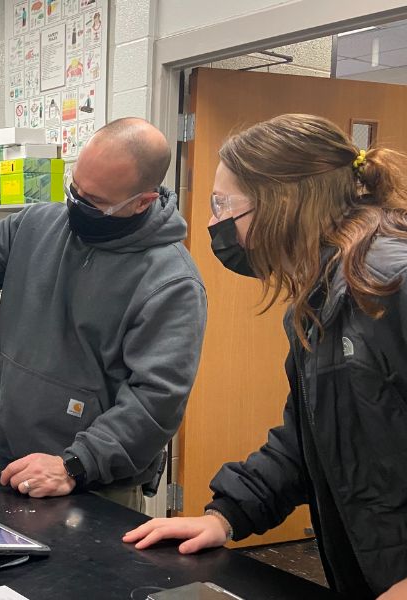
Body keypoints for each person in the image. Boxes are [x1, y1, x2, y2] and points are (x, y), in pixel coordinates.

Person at [123, 114, 407, 599]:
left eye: (223, 204)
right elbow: (308, 441)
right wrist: (226, 515)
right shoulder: (323, 300)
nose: (213, 222)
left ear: (283, 202)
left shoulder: (390, 284)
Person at [0, 117, 207, 512]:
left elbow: (155, 404)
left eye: (94, 202)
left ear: (142, 201)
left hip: (92, 487)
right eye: (74, 190)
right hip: (10, 465)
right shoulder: (39, 224)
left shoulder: (171, 283)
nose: (77, 206)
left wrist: (74, 465)